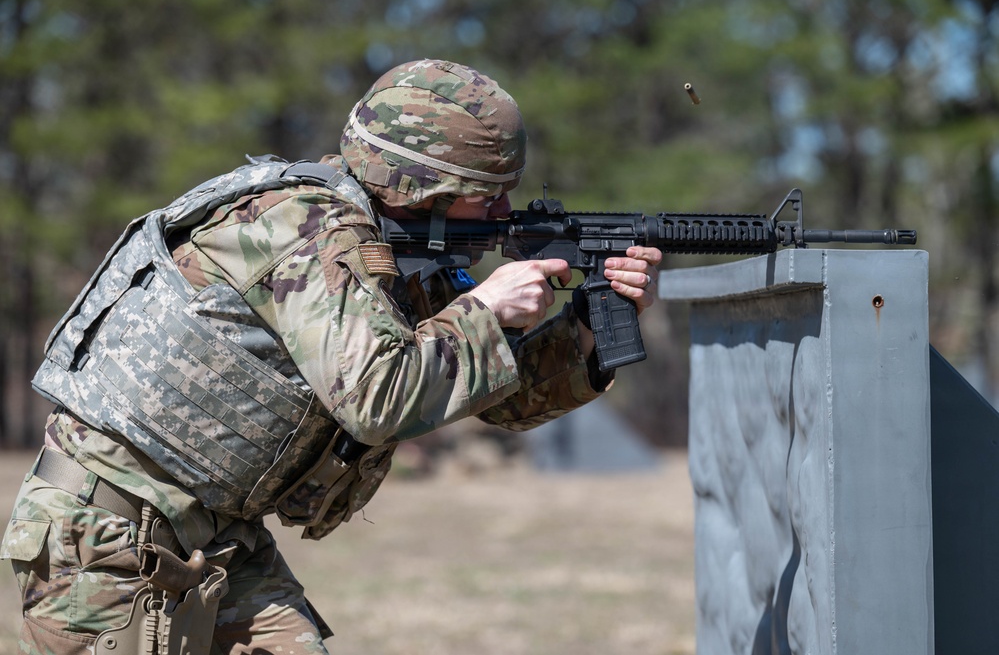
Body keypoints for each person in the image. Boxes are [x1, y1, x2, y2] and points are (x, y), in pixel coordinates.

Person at [1, 59, 662, 654]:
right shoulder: (308, 227)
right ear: (424, 185)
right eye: (487, 191)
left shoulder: (393, 252)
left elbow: (491, 396)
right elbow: (378, 400)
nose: (503, 209)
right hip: (108, 534)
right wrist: (484, 308)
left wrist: (588, 328)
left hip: (215, 530)